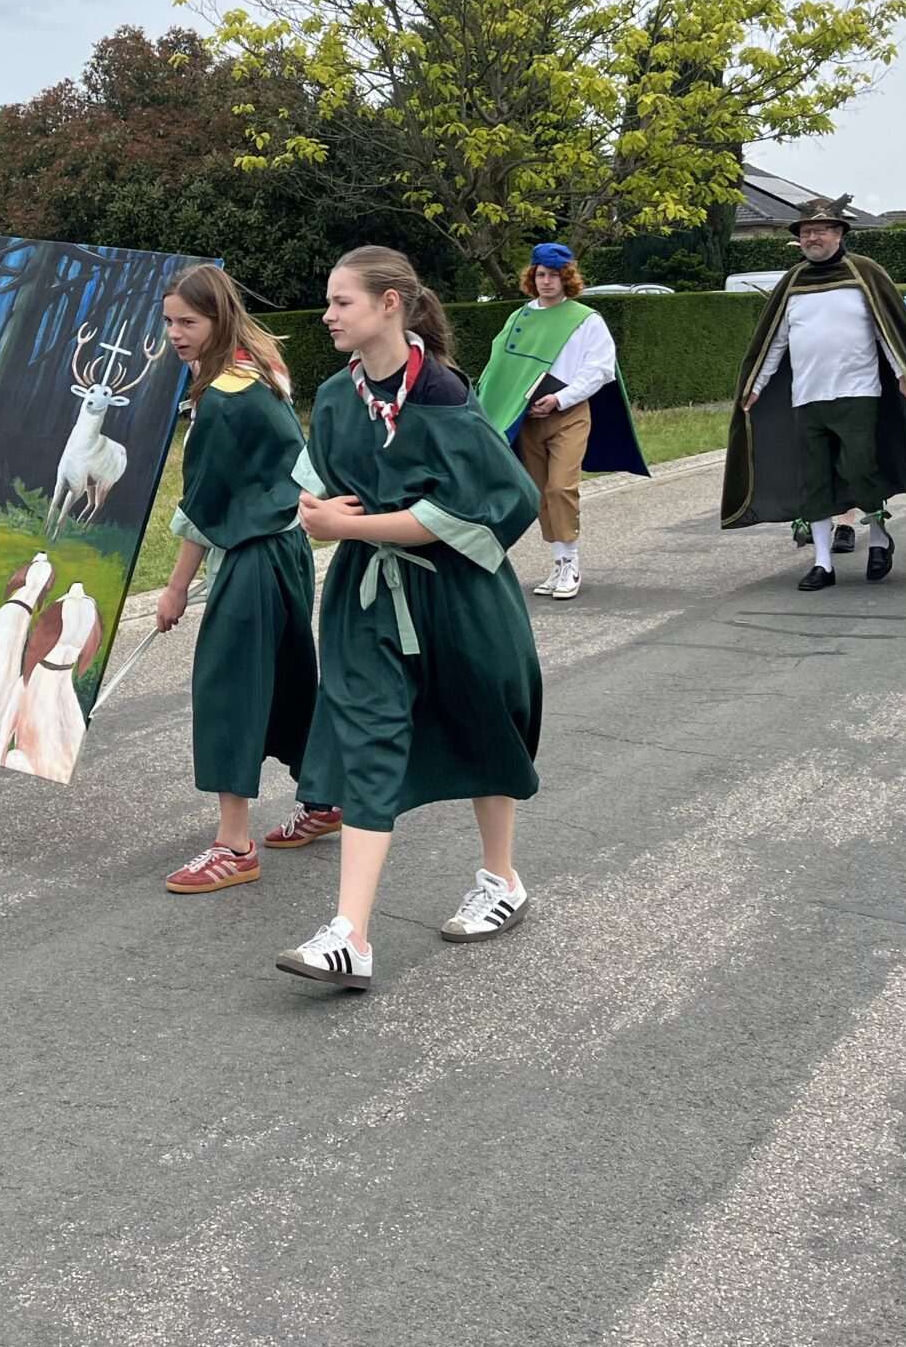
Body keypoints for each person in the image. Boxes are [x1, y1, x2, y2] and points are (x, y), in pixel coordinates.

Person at [273, 246, 544, 993]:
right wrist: (318, 512)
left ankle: (501, 879)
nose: (327, 316)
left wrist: (347, 527)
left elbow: (472, 508)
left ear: (390, 304)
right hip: (366, 600)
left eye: (342, 302)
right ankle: (350, 934)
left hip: (458, 596)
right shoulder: (338, 396)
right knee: (366, 736)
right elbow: (312, 491)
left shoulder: (444, 395)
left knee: (484, 722)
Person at [153, 264, 322, 894]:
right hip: (289, 546)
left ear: (218, 318)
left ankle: (234, 846)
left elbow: (204, 501)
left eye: (188, 322)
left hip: (254, 554)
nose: (176, 333)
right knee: (289, 677)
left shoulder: (224, 397)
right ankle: (325, 798)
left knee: (228, 686)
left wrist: (175, 589)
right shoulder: (259, 364)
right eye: (169, 321)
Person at [722, 196, 906, 589]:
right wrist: (755, 384)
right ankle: (822, 563)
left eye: (821, 230)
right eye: (807, 232)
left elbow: (887, 331)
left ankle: (879, 537)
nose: (813, 238)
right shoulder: (793, 282)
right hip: (807, 397)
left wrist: (903, 372)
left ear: (839, 233)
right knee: (814, 480)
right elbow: (775, 340)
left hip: (858, 393)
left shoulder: (865, 274)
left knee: (860, 470)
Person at [472, 242, 648, 601]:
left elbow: (600, 369)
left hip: (569, 415)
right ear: (532, 277)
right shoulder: (519, 318)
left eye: (554, 275)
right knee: (538, 493)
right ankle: (558, 562)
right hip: (528, 418)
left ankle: (571, 562)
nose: (546, 281)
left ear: (567, 278)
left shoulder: (585, 319)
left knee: (561, 488)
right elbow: (500, 368)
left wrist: (560, 399)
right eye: (541, 274)